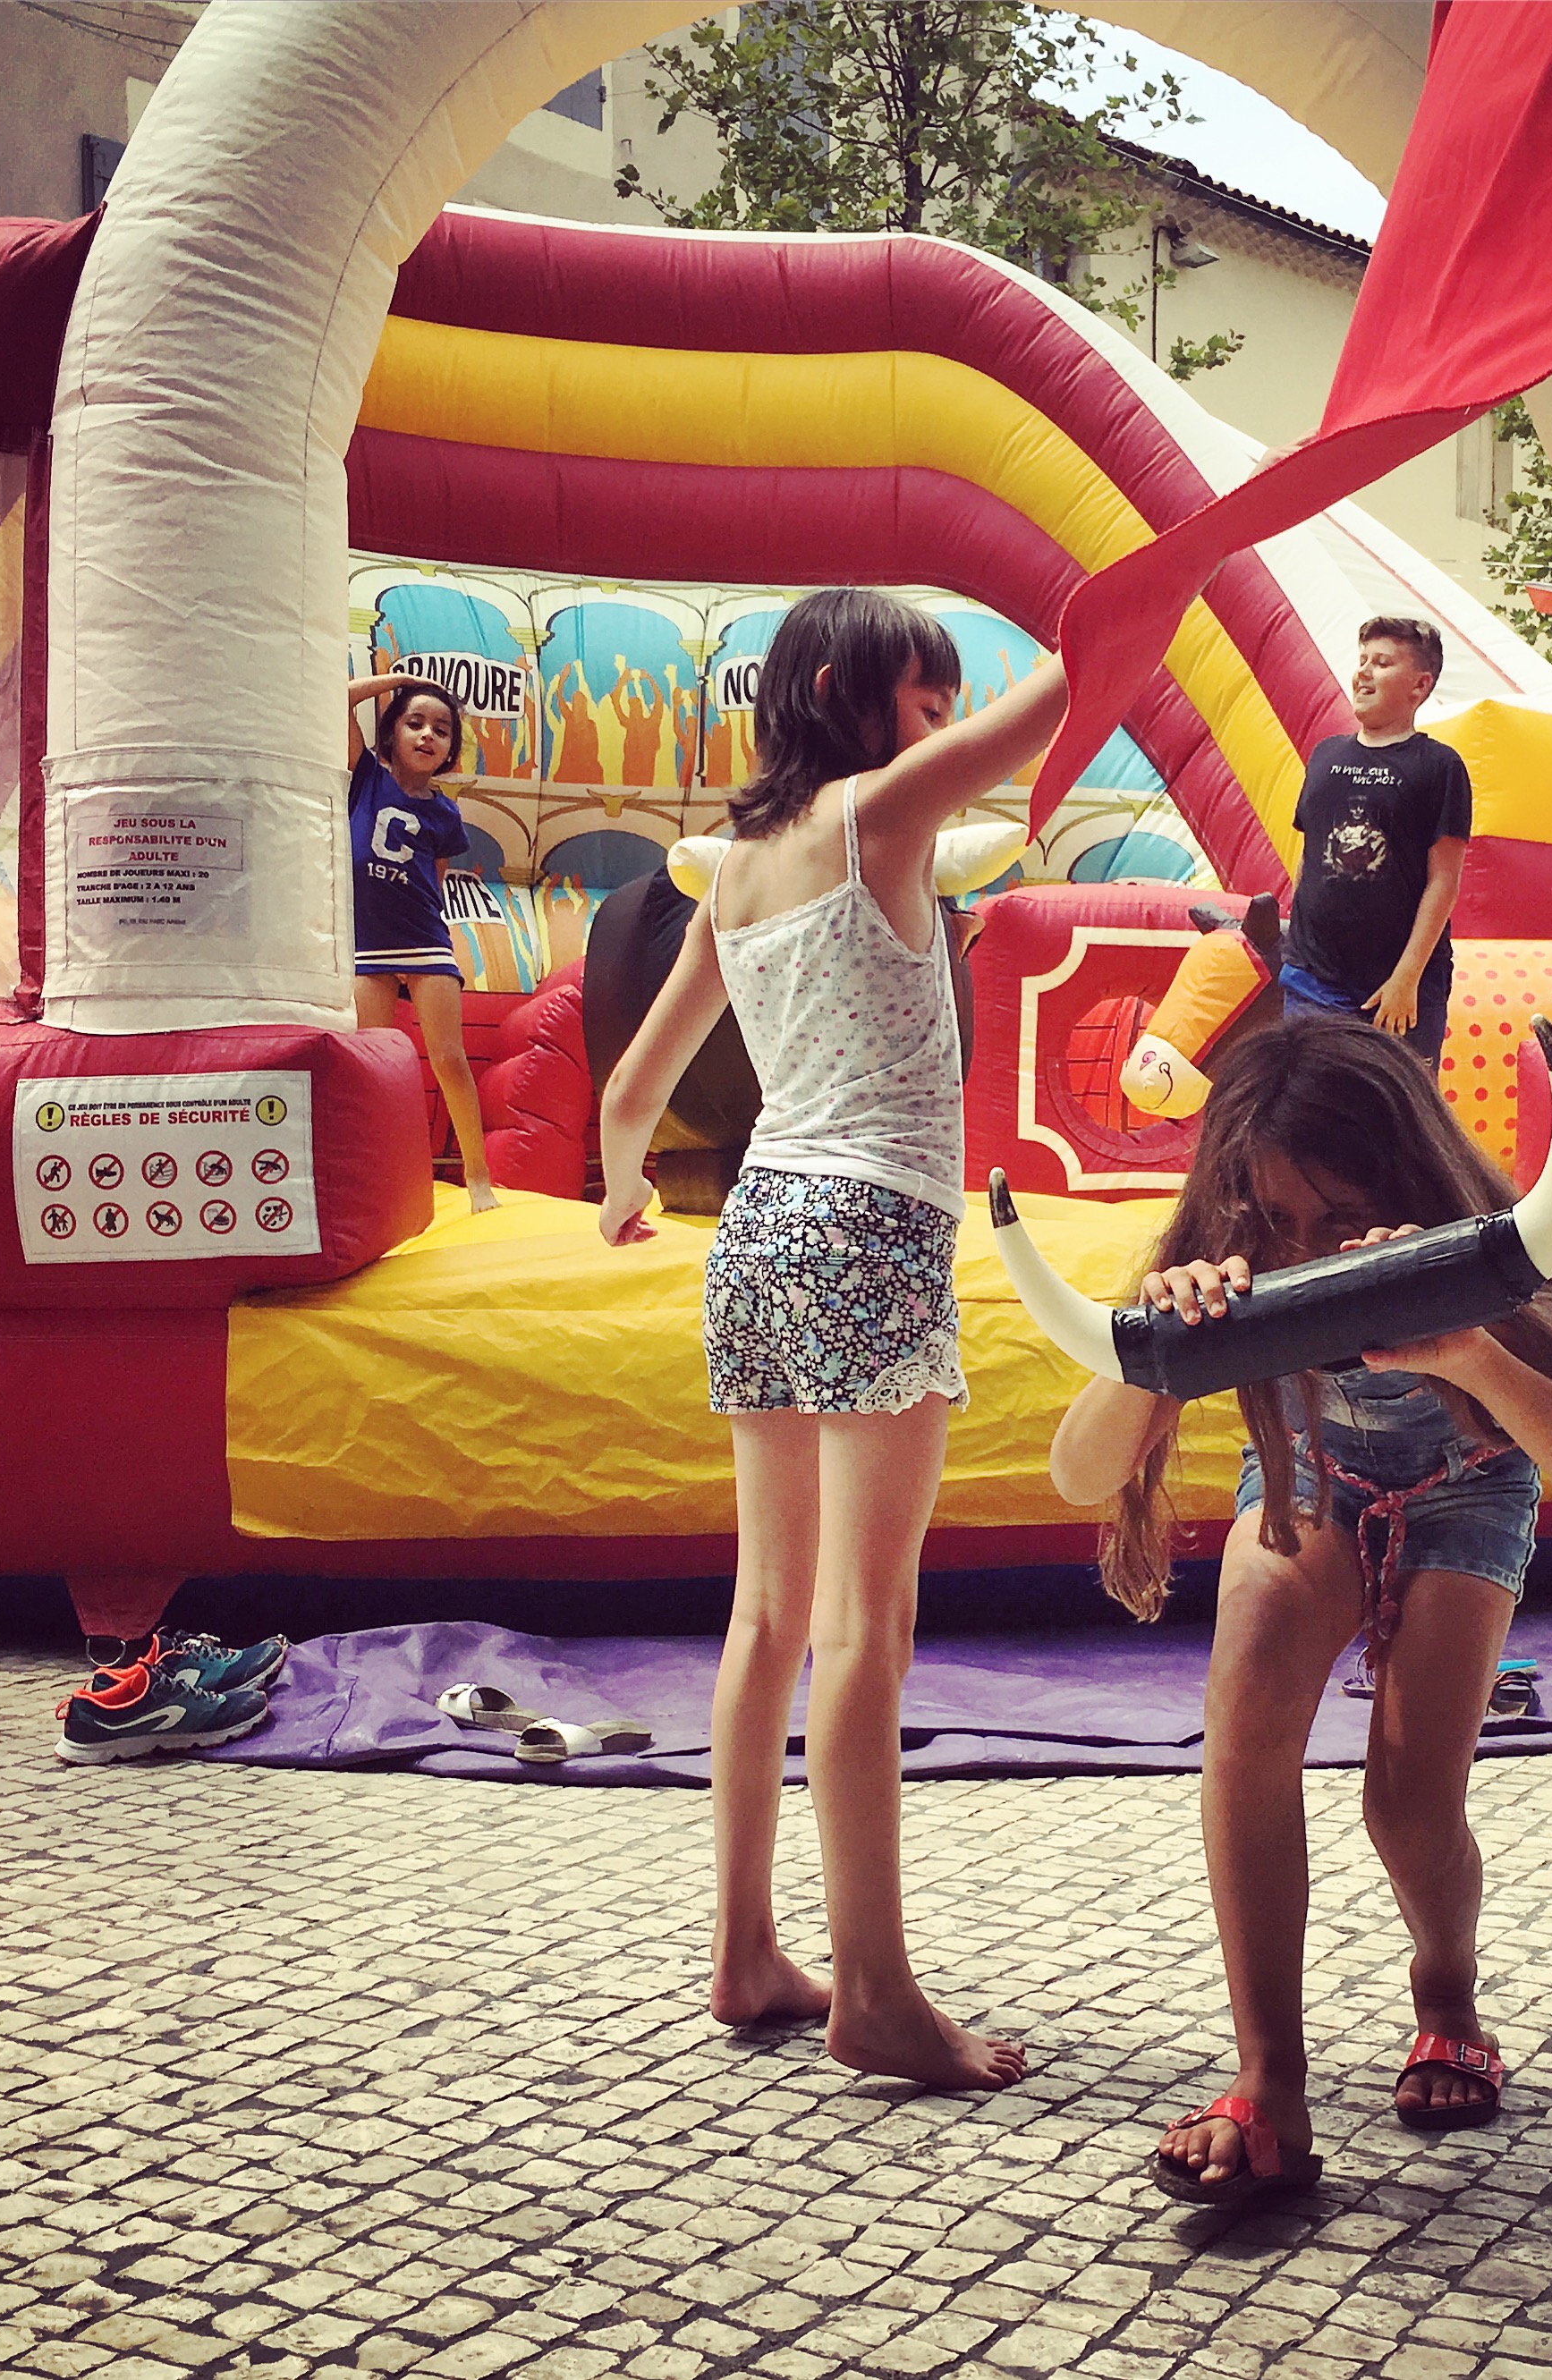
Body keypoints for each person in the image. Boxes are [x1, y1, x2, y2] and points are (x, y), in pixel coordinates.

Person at [1047, 1014, 1552, 2206]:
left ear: (1403, 1184)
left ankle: (1446, 1990)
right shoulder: (1219, 1256)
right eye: (1273, 1223)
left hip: (1468, 1489)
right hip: (1307, 1477)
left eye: (1339, 1219)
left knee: (1408, 1804)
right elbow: (1079, 1473)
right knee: (1245, 1720)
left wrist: (1468, 1349)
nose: (1303, 1255)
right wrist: (1157, 1348)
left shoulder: (1492, 1246)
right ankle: (1268, 2080)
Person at [596, 589, 1067, 2092]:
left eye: (944, 704)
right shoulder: (877, 817)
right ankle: (873, 1991)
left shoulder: (732, 867)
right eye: (921, 699)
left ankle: (746, 1949)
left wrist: (621, 1188)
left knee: (768, 1615)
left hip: (757, 1232)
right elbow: (1051, 707)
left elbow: (633, 1086)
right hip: (870, 1230)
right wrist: (1141, 598)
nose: (940, 726)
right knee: (867, 1624)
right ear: (835, 695)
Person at [1279, 618, 1471, 1072]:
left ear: (1419, 686)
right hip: (1313, 978)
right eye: (1362, 660)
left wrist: (1407, 978)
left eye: (1382, 663)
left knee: (1396, 1108)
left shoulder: (1439, 766)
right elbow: (1309, 857)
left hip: (1395, 987)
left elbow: (1444, 881)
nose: (1363, 672)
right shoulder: (1325, 755)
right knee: (1309, 1104)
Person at [346, 671, 498, 1212]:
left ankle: (478, 1177)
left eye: (441, 729)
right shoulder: (366, 776)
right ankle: (373, 1176)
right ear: (392, 733)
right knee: (371, 1063)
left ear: (450, 750)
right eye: (415, 723)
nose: (428, 735)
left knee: (449, 1060)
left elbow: (432, 879)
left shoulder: (445, 811)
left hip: (424, 941)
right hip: (367, 943)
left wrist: (438, 942)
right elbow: (336, 699)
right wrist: (400, 680)